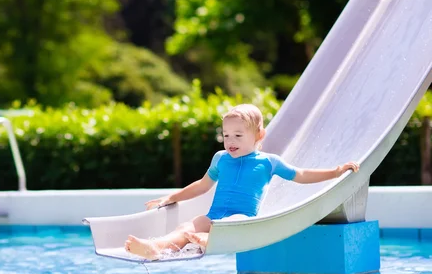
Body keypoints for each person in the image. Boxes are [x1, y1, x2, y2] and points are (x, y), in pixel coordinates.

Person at [124, 104, 360, 260]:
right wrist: (171, 197)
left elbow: (301, 175)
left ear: (259, 135)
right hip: (214, 215)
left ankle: (208, 241)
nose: (230, 141)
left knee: (231, 222)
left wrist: (336, 171)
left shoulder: (269, 162)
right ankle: (157, 247)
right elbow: (202, 185)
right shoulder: (220, 158)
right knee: (188, 226)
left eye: (238, 135)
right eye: (226, 135)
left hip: (241, 219)